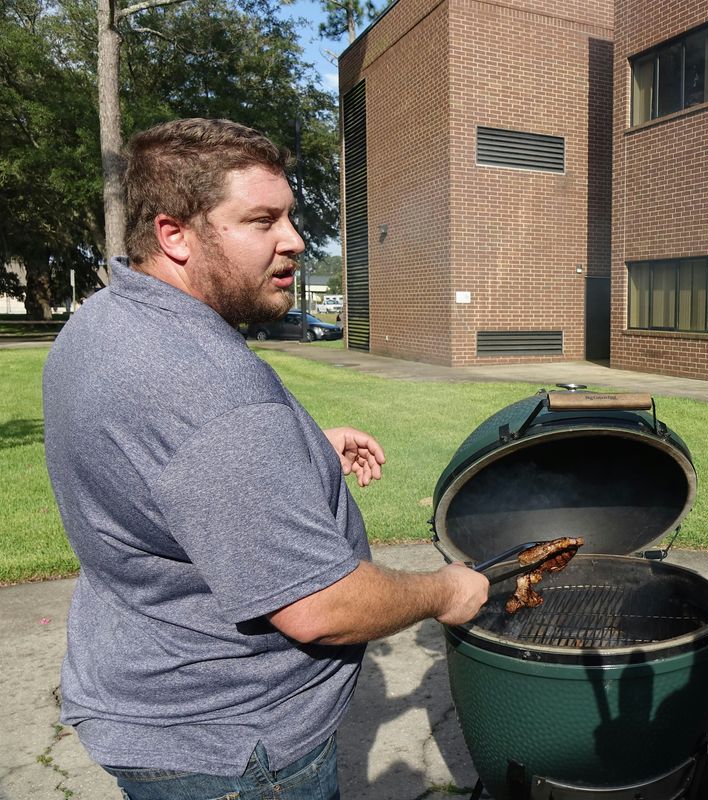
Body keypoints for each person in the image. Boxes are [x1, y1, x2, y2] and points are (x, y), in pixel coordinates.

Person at [41, 118, 490, 799]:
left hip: (147, 687)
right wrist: (444, 591)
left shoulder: (104, 320)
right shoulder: (208, 395)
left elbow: (168, 464)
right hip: (237, 751)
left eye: (289, 217)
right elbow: (320, 606)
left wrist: (299, 449)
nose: (296, 241)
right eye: (261, 221)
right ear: (174, 235)